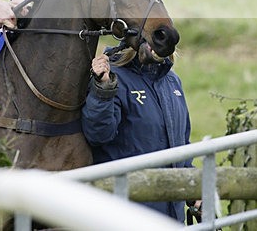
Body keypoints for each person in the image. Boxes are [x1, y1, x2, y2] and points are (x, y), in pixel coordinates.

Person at [82, 48, 200, 223]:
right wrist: (104, 87)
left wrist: (194, 190)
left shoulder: (172, 81)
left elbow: (181, 147)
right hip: (127, 216)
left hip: (172, 219)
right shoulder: (112, 78)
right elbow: (98, 135)